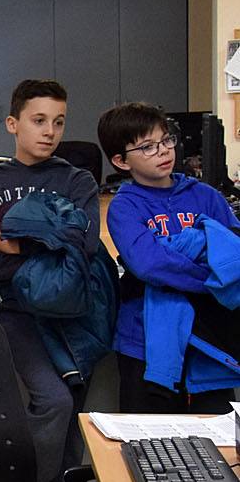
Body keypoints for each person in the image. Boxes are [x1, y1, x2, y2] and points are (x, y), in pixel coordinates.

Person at [0, 80, 99, 482]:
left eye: (58, 122)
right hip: (15, 312)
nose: (50, 132)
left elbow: (86, 247)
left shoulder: (76, 179)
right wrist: (52, 246)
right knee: (54, 400)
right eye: (39, 121)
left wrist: (18, 247)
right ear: (12, 123)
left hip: (71, 313)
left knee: (74, 407)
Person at [99, 102, 240, 413]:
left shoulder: (206, 196)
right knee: (147, 443)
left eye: (166, 140)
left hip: (208, 340)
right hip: (144, 342)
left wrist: (209, 267)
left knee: (220, 442)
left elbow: (233, 254)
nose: (163, 151)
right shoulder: (125, 207)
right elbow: (149, 264)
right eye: (147, 147)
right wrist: (211, 277)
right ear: (122, 161)